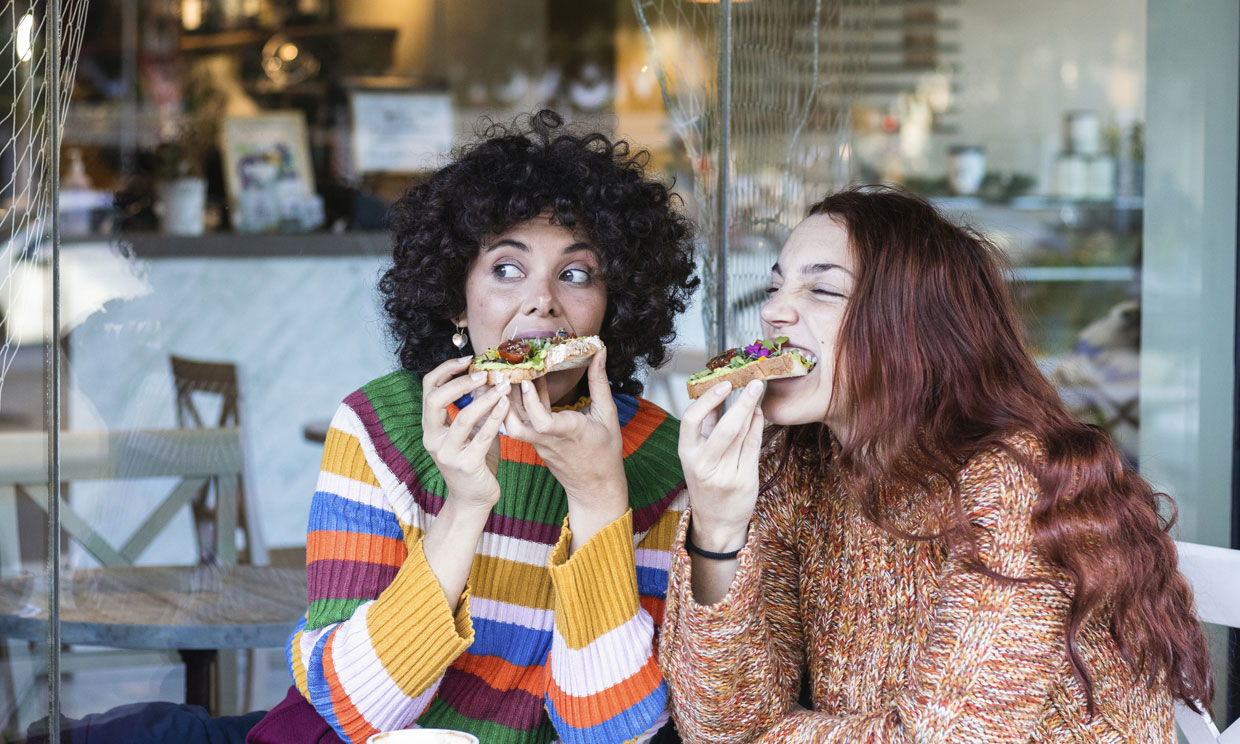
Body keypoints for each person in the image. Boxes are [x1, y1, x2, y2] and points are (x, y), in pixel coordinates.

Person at [659, 186, 1213, 743]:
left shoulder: (1013, 481)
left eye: (823, 289)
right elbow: (718, 725)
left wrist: (768, 735)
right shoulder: (796, 467)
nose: (774, 310)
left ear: (913, 329)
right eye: (777, 284)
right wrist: (718, 526)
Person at [246, 110, 698, 744]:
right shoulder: (382, 428)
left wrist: (599, 498)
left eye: (576, 273)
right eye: (507, 269)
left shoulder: (661, 459)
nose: (542, 300)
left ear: (612, 306)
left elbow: (614, 735)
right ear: (457, 299)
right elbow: (352, 710)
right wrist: (463, 509)